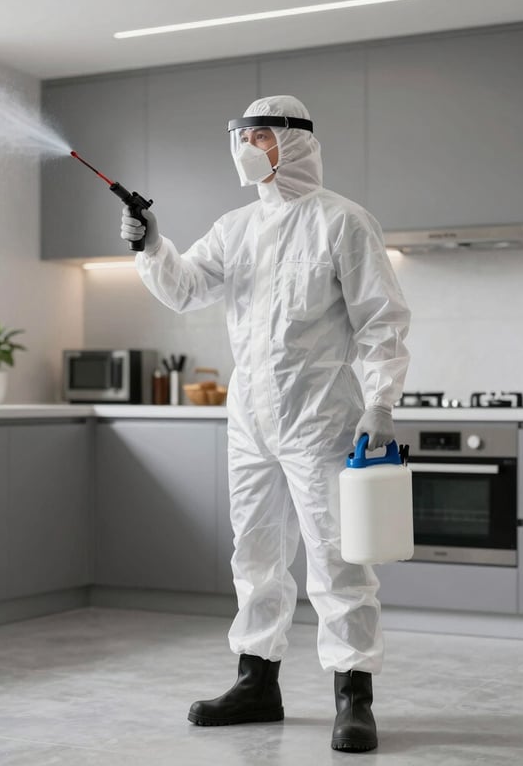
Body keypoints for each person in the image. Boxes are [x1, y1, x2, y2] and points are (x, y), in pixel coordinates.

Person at [120, 94, 410, 753]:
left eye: (259, 135)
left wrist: (380, 403)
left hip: (324, 421)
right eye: (241, 136)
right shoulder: (234, 228)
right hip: (251, 421)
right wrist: (153, 243)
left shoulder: (344, 223)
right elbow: (188, 287)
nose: (246, 147)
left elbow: (381, 322)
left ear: (295, 141)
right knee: (254, 555)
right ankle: (257, 682)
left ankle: (353, 692)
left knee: (338, 560)